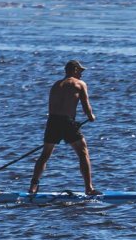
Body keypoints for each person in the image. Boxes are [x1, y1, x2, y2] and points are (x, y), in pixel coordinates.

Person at [29, 60, 100, 196]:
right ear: (73, 70)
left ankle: (33, 187)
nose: (81, 74)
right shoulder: (79, 84)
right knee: (83, 152)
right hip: (67, 122)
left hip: (52, 122)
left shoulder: (56, 85)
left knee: (45, 155)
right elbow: (86, 106)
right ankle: (89, 188)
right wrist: (91, 116)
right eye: (80, 71)